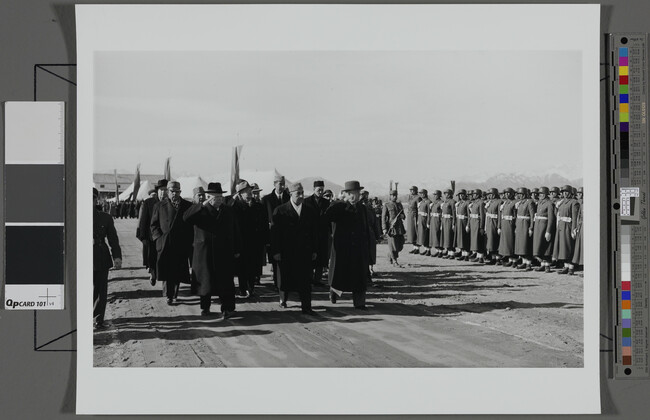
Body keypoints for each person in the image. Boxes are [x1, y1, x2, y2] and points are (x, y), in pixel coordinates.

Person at [183, 183, 239, 317]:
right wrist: (201, 205)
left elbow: (236, 230)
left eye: (221, 197)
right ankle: (205, 307)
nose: (219, 199)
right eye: (216, 197)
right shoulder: (199, 210)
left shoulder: (228, 210)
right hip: (204, 252)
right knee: (205, 282)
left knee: (225, 281)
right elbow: (185, 217)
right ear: (208, 197)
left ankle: (227, 308)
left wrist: (237, 248)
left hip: (224, 251)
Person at [271, 182, 319, 315]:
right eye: (298, 193)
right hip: (286, 252)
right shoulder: (280, 211)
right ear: (290, 194)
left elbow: (314, 232)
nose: (301, 195)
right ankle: (283, 299)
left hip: (304, 251)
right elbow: (275, 234)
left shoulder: (309, 210)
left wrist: (314, 250)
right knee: (285, 278)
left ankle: (306, 307)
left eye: (303, 192)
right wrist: (276, 251)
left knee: (305, 280)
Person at [325, 180, 373, 309]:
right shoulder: (338, 206)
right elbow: (325, 219)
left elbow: (365, 228)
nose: (355, 196)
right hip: (342, 248)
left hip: (359, 248)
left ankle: (359, 302)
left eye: (357, 193)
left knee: (359, 275)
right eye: (351, 194)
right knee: (339, 273)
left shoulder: (362, 208)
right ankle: (334, 291)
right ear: (345, 194)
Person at [150, 181, 193, 305]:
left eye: (177, 191)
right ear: (168, 192)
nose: (174, 193)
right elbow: (153, 225)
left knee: (177, 270)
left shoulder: (187, 205)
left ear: (180, 192)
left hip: (180, 243)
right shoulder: (159, 206)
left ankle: (174, 293)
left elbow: (190, 225)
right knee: (167, 270)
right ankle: (169, 295)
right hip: (165, 243)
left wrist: (188, 240)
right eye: (172, 191)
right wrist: (159, 238)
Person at [231, 180, 269, 298]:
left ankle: (251, 288)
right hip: (242, 242)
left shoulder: (258, 206)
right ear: (240, 194)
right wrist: (233, 199)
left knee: (253, 267)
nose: (249, 193)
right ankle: (243, 289)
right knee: (242, 268)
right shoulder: (235, 207)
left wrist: (265, 241)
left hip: (255, 242)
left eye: (249, 191)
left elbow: (264, 225)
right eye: (245, 191)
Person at [93, 188, 122, 329]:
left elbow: (113, 239)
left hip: (100, 256)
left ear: (95, 200)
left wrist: (117, 256)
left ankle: (98, 319)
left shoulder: (105, 217)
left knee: (100, 290)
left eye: (91, 199)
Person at [261, 175, 290, 288]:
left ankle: (285, 283)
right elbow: (263, 220)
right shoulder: (267, 199)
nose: (282, 186)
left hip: (287, 235)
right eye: (280, 184)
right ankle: (277, 283)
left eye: (283, 184)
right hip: (272, 235)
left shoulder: (289, 197)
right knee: (274, 260)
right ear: (274, 184)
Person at [137, 181, 165, 286]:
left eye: (166, 190)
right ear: (157, 191)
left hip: (165, 236)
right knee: (152, 258)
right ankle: (153, 273)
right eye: (161, 190)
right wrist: (143, 237)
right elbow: (143, 220)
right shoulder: (149, 203)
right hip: (151, 237)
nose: (164, 192)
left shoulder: (170, 203)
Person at [304, 180, 331, 287]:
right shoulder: (306, 201)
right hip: (310, 233)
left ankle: (317, 280)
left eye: (322, 190)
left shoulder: (326, 202)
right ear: (314, 189)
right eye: (318, 190)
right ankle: (309, 278)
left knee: (321, 258)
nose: (320, 192)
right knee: (310, 257)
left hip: (323, 234)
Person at [554, 185, 580, 275]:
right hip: (561, 226)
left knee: (569, 247)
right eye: (563, 192)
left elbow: (575, 217)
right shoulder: (562, 202)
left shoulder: (574, 202)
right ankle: (565, 266)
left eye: (567, 192)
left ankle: (571, 268)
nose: (565, 193)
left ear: (571, 193)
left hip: (568, 227)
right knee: (563, 248)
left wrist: (574, 229)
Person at [532, 186, 556, 272]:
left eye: (542, 194)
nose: (540, 195)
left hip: (545, 227)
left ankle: (547, 266)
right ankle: (542, 264)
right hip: (538, 226)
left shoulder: (549, 203)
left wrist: (548, 231)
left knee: (546, 246)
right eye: (539, 194)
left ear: (546, 194)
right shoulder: (539, 203)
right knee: (540, 246)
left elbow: (551, 218)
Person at [361, 190, 382, 279]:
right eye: (363, 195)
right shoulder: (356, 207)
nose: (365, 197)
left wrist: (378, 235)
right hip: (360, 233)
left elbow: (375, 223)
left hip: (370, 232)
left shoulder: (370, 208)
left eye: (366, 196)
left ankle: (371, 269)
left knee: (371, 252)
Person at [382, 190, 406, 266]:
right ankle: (395, 261)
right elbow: (383, 217)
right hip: (392, 228)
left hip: (399, 228)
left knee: (400, 245)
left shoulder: (399, 205)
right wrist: (384, 228)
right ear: (390, 196)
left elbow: (403, 215)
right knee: (393, 246)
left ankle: (390, 255)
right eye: (393, 195)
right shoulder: (387, 205)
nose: (394, 197)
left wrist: (403, 216)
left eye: (395, 195)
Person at [514, 187, 536, 270]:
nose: (520, 196)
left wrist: (531, 227)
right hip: (519, 225)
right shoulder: (520, 203)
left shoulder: (529, 202)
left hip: (525, 225)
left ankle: (528, 264)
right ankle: (524, 262)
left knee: (526, 244)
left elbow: (532, 216)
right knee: (520, 245)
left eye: (522, 194)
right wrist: (516, 226)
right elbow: (517, 216)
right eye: (519, 194)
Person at [497, 187, 517, 266]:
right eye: (505, 193)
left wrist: (515, 226)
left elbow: (515, 215)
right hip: (504, 224)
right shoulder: (505, 203)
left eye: (508, 193)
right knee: (506, 243)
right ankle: (510, 259)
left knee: (511, 242)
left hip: (511, 224)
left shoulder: (515, 203)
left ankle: (514, 261)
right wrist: (500, 226)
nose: (507, 195)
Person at [483, 188, 501, 264]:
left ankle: (498, 259)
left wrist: (499, 226)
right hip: (489, 223)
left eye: (490, 194)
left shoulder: (499, 202)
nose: (489, 196)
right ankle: (493, 257)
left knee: (495, 241)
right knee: (490, 241)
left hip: (495, 223)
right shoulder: (489, 202)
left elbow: (500, 215)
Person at [468, 189, 486, 263]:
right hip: (473, 223)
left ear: (478, 195)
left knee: (479, 240)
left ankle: (481, 257)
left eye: (474, 194)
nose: (473, 195)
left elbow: (482, 215)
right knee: (475, 240)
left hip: (478, 223)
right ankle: (478, 256)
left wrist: (481, 227)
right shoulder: (474, 202)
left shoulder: (481, 203)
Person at [440, 188, 456, 258]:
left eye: (446, 193)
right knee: (446, 237)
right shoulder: (445, 202)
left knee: (450, 236)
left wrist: (453, 223)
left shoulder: (452, 202)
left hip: (449, 220)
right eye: (445, 193)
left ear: (450, 194)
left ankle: (451, 253)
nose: (445, 195)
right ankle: (448, 252)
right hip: (444, 220)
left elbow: (454, 213)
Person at [454, 189, 470, 261]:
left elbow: (469, 215)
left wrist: (468, 225)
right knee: (460, 239)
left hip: (464, 222)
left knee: (465, 238)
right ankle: (463, 254)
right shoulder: (459, 203)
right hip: (459, 222)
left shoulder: (467, 203)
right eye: (459, 195)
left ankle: (466, 255)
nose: (460, 196)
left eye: (462, 194)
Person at [427, 190, 443, 257]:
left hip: (438, 220)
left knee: (438, 235)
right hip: (433, 220)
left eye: (436, 194)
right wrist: (428, 222)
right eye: (434, 195)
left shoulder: (441, 203)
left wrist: (441, 223)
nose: (434, 196)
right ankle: (437, 250)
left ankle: (440, 251)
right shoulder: (433, 203)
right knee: (434, 236)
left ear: (439, 195)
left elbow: (442, 213)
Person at [416, 189, 432, 255]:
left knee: (426, 235)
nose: (421, 195)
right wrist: (418, 220)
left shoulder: (428, 202)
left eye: (422, 193)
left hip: (425, 220)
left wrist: (428, 222)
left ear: (425, 194)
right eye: (420, 193)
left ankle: (428, 250)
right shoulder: (421, 202)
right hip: (421, 219)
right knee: (422, 235)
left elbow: (429, 213)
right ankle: (425, 249)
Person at [572, 187, 584, 271]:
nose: (579, 195)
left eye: (581, 194)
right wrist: (577, 227)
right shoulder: (581, 204)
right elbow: (579, 217)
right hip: (581, 226)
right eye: (578, 194)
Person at [406, 186, 420, 253]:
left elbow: (419, 208)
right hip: (410, 216)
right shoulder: (410, 198)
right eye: (410, 190)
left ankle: (417, 248)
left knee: (415, 231)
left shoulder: (418, 198)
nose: (411, 191)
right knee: (411, 232)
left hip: (415, 216)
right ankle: (414, 247)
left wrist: (418, 218)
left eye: (413, 190)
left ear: (415, 190)